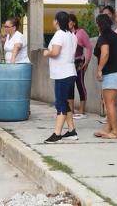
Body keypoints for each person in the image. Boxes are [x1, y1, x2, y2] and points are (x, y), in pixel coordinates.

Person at [44, 11, 79, 143]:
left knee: (60, 103)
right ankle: (71, 131)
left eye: (54, 19)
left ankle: (57, 134)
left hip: (62, 74)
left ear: (57, 21)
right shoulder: (72, 35)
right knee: (65, 102)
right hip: (70, 72)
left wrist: (47, 53)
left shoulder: (59, 34)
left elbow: (56, 52)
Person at [94, 13, 117, 139]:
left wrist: (99, 69)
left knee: (109, 104)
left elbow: (105, 53)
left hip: (112, 74)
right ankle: (108, 128)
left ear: (99, 24)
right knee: (112, 103)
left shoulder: (103, 37)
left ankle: (115, 132)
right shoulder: (115, 35)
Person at [68, 13, 92, 119]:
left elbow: (89, 47)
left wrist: (86, 61)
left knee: (80, 84)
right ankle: (71, 110)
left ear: (73, 22)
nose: (67, 23)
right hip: (69, 64)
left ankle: (82, 110)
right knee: (70, 86)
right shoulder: (66, 34)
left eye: (69, 21)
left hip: (79, 63)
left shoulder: (80, 32)